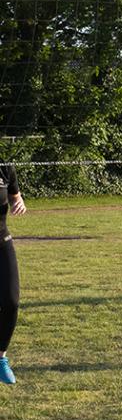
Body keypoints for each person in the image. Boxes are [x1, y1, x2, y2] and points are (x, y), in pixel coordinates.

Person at [0, 162, 26, 384]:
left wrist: (19, 203)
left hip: (1, 242)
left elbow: (15, 197)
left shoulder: (5, 167)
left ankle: (1, 358)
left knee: (11, 301)